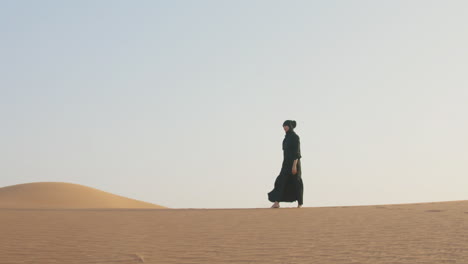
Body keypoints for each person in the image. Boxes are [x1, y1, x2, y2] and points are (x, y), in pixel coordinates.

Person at [268, 120, 303, 208]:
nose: (284, 127)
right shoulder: (286, 138)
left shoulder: (295, 137)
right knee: (281, 181)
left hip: (294, 163)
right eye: (283, 126)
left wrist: (294, 165)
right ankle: (277, 202)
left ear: (290, 126)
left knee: (296, 183)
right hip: (286, 164)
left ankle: (300, 204)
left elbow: (297, 152)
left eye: (286, 126)